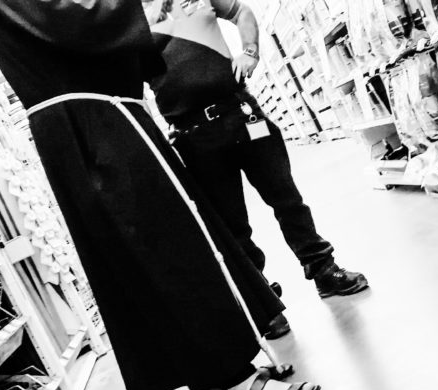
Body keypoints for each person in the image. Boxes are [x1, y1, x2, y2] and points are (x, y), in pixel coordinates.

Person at [0, 1, 321, 390]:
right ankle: (234, 376)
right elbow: (77, 19)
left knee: (169, 242)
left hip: (97, 119)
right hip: (96, 123)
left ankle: (220, 375)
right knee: (168, 247)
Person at [143, 0, 369, 299]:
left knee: (286, 198)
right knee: (230, 222)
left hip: (242, 114)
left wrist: (250, 51)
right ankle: (260, 295)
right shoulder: (126, 19)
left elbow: (241, 12)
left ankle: (323, 269)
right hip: (193, 135)